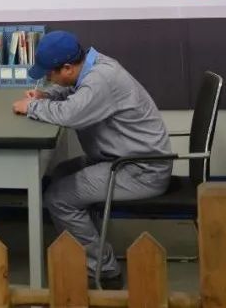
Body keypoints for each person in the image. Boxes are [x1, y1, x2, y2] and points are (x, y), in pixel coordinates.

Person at [13, 30, 172, 290]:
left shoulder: (102, 79)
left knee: (57, 198)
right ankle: (92, 241)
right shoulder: (93, 65)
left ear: (67, 68)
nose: (47, 79)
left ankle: (104, 270)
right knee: (61, 172)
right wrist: (47, 95)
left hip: (139, 169)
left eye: (49, 74)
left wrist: (30, 106)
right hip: (122, 158)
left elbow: (70, 113)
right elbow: (76, 92)